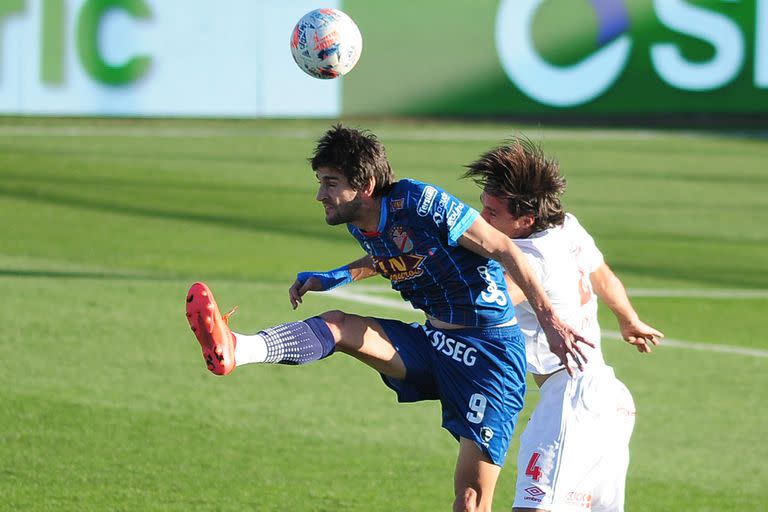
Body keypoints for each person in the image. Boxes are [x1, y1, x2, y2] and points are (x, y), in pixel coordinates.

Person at [185, 125, 591, 512]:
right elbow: (393, 254)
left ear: (364, 186)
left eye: (329, 183)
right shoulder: (363, 222)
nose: (319, 195)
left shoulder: (420, 202)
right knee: (338, 326)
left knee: (469, 501)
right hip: (435, 344)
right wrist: (337, 276)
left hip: (489, 358)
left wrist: (551, 322)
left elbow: (505, 248)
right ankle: (237, 347)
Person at [462, 138, 664, 512]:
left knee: (533, 506)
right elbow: (600, 273)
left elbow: (487, 306)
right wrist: (628, 318)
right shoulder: (566, 227)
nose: (482, 218)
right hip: (608, 396)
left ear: (525, 220)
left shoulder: (530, 259)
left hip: (570, 399)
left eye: (492, 212)